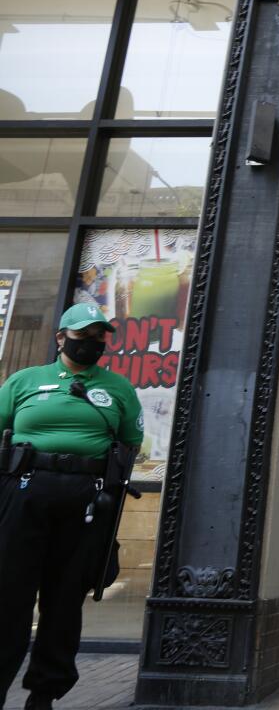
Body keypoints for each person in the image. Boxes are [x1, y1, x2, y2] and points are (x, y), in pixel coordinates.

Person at [0, 303, 143, 710]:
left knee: (64, 601)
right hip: (24, 490)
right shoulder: (26, 380)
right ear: (61, 337)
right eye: (83, 335)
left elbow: (132, 440)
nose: (92, 343)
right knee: (8, 595)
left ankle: (44, 693)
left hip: (86, 498)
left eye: (100, 336)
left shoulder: (118, 388)